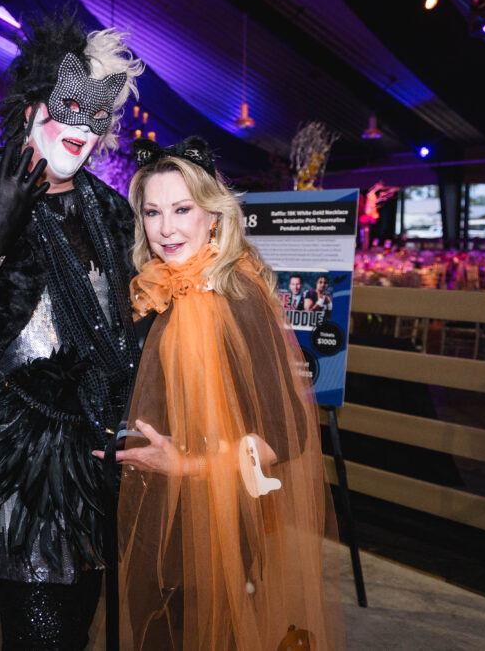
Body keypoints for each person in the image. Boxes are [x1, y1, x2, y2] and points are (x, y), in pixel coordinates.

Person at [0, 16, 144, 649]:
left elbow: (130, 330)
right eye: (67, 105)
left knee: (78, 626)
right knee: (39, 631)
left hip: (97, 453)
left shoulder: (109, 210)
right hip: (13, 458)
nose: (80, 127)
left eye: (96, 116)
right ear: (33, 101)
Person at [96, 137, 339, 650]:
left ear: (214, 214)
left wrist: (183, 467)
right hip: (155, 509)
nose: (166, 228)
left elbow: (288, 436)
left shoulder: (237, 295)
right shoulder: (159, 287)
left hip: (214, 523)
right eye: (152, 211)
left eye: (182, 209)